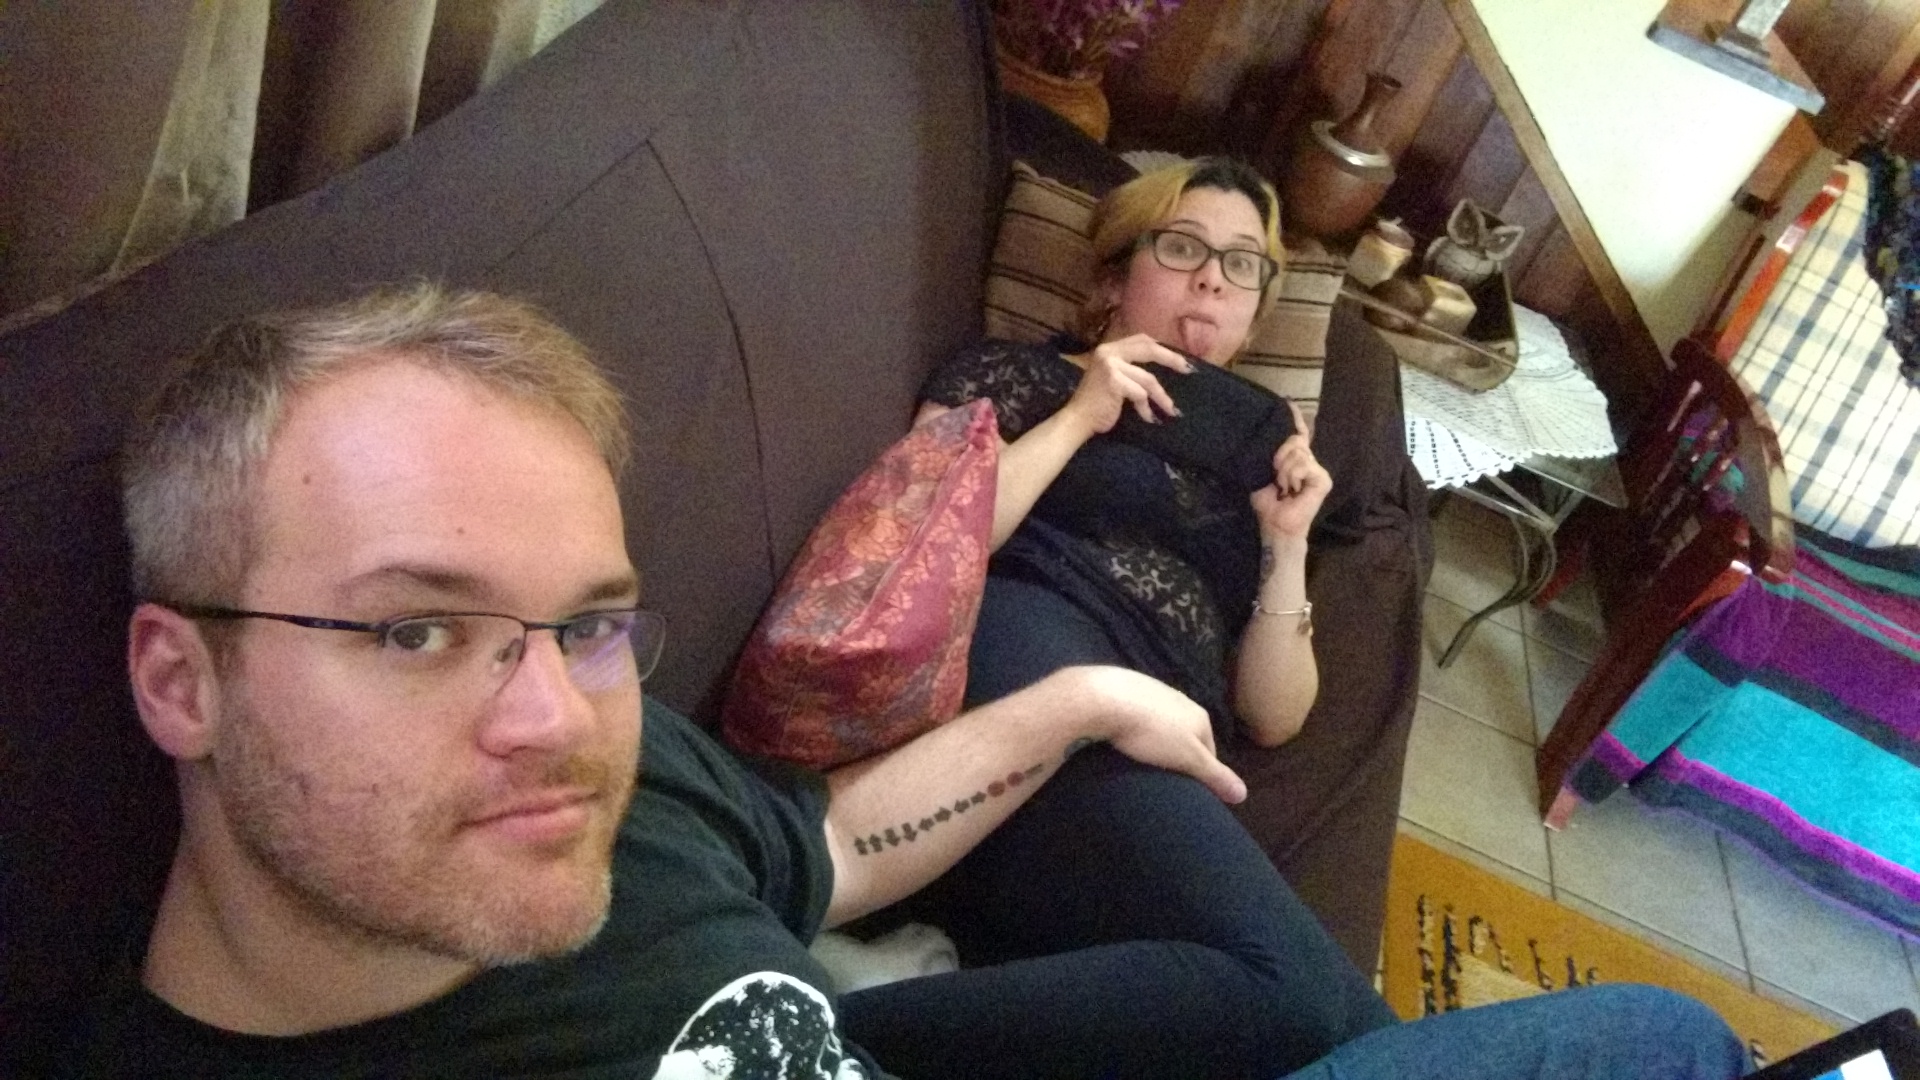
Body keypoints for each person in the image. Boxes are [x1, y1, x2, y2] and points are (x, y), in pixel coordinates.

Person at [72, 285, 1749, 1079]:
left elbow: (824, 851)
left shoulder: (608, 782)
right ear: (180, 679)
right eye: (416, 631)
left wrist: (1082, 711)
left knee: (1638, 1038)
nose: (552, 720)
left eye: (587, 625)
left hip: (1084, 710)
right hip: (1028, 606)